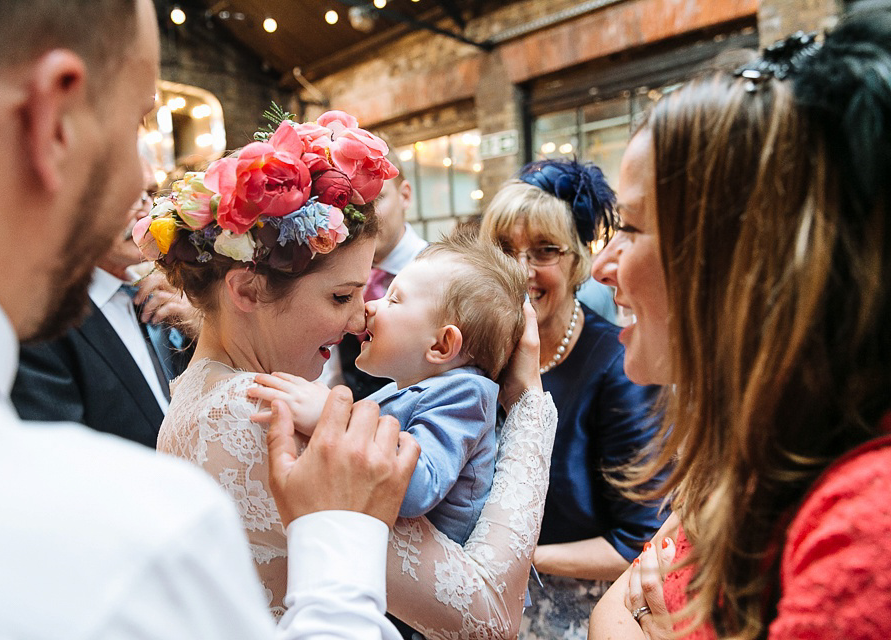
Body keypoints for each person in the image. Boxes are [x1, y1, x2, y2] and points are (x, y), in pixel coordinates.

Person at [0, 0, 432, 636]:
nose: (146, 179)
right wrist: (339, 536)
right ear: (54, 118)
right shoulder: (135, 538)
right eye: (139, 119)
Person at [140, 108, 559, 638]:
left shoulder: (202, 389)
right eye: (341, 295)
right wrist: (529, 409)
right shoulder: (261, 416)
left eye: (365, 291)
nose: (362, 315)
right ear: (246, 290)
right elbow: (487, 615)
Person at [588, 9, 891, 639]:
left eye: (635, 230)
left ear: (742, 263)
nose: (602, 267)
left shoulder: (867, 527)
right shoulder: (747, 453)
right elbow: (608, 615)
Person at [479, 159, 667, 639]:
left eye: (544, 251)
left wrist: (511, 555)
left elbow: (638, 540)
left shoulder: (619, 367)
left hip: (576, 613)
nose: (520, 271)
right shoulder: (476, 353)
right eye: (504, 249)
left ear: (579, 261)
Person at [248, 232, 526, 545]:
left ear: (441, 344)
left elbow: (419, 485)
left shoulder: (465, 394)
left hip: (440, 581)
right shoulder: (408, 388)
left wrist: (329, 419)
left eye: (393, 300)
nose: (369, 307)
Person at [12, 157, 195, 447]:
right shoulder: (42, 320)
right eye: (125, 196)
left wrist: (199, 325)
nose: (144, 210)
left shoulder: (168, 294)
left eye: (149, 194)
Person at [324, 153, 429, 399]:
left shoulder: (448, 272)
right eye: (352, 205)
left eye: (376, 199)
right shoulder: (332, 275)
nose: (364, 217)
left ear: (405, 195)